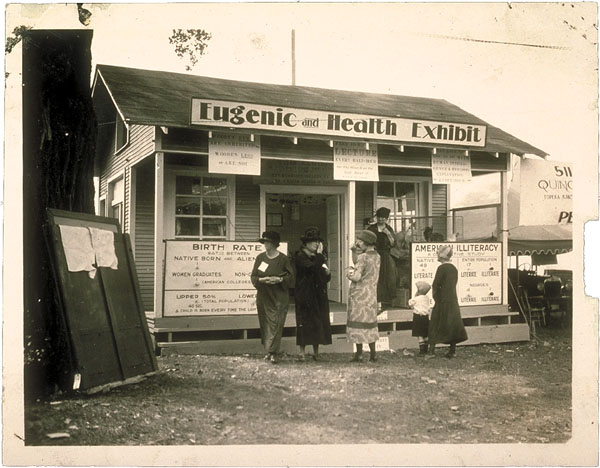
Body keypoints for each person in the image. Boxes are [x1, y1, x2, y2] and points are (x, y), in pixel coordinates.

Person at [250, 231, 295, 364]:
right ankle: (269, 351)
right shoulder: (260, 258)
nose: (265, 244)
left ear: (275, 244)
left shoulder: (283, 259)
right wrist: (262, 280)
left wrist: (279, 279)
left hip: (278, 297)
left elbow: (291, 278)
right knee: (265, 322)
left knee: (276, 323)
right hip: (264, 296)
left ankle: (274, 352)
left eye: (268, 242)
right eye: (264, 242)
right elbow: (253, 276)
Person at [294, 227, 332, 361]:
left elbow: (324, 276)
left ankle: (316, 352)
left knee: (318, 321)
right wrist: (320, 258)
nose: (316, 244)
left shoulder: (317, 257)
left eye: (317, 241)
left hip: (318, 294)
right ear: (306, 244)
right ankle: (302, 352)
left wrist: (327, 274)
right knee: (304, 322)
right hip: (305, 294)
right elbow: (312, 268)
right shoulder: (300, 256)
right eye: (313, 242)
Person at [427, 245, 468, 359]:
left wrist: (436, 299)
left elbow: (436, 285)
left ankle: (431, 352)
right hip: (452, 300)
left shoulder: (442, 268)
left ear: (442, 256)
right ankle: (452, 351)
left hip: (442, 301)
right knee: (452, 325)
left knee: (435, 324)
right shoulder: (454, 268)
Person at [346, 230, 380, 363]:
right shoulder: (377, 256)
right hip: (371, 294)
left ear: (366, 242)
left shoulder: (363, 257)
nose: (358, 242)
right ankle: (373, 354)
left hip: (359, 294)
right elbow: (362, 266)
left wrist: (348, 273)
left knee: (357, 325)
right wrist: (354, 251)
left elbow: (357, 276)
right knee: (370, 324)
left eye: (360, 240)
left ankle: (359, 354)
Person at [368, 207, 397, 309]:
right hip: (373, 255)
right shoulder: (371, 228)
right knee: (374, 277)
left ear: (387, 219)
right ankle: (374, 301)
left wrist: (387, 233)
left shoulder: (389, 229)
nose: (381, 220)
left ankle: (385, 302)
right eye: (379, 217)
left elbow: (393, 243)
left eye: (383, 218)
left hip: (385, 256)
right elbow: (366, 241)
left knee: (388, 277)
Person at [409, 281, 434, 356]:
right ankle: (426, 349)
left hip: (418, 317)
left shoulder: (416, 299)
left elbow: (410, 303)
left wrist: (415, 296)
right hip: (425, 317)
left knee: (419, 335)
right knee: (425, 334)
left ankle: (422, 351)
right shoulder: (426, 298)